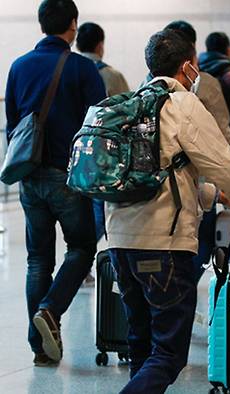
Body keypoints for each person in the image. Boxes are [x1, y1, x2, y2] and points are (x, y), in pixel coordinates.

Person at [106, 29, 230, 394]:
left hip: (119, 242)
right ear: (189, 67)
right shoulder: (182, 106)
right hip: (163, 246)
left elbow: (166, 177)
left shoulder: (128, 105)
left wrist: (214, 197)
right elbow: (223, 164)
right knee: (170, 354)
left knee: (141, 343)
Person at [4, 0, 105, 366]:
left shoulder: (18, 67)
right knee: (80, 249)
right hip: (67, 176)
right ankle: (50, 309)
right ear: (73, 25)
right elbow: (99, 125)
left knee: (37, 260)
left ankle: (39, 349)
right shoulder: (81, 68)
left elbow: (13, 121)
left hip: (29, 178)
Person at [161, 21, 230, 283]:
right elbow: (223, 137)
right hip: (197, 186)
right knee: (198, 249)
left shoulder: (147, 85)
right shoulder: (204, 86)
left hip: (154, 194)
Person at [76, 21, 131, 253]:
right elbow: (127, 112)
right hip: (101, 154)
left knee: (78, 213)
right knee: (100, 211)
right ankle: (84, 258)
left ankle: (79, 261)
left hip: (72, 152)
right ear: (100, 45)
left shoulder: (71, 69)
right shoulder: (111, 75)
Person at [76, 22, 130, 96]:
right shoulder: (114, 76)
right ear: (100, 45)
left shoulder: (67, 71)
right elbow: (127, 104)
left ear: (77, 46)